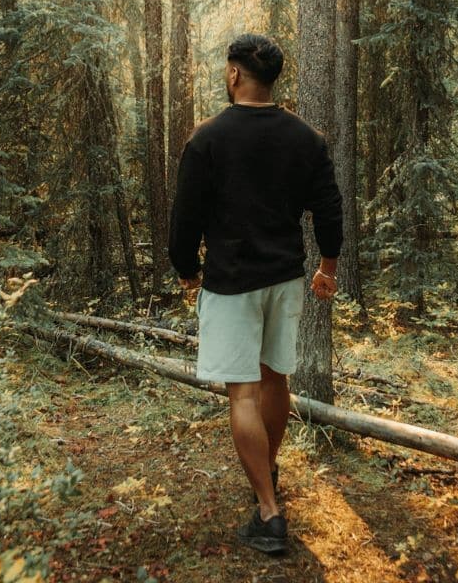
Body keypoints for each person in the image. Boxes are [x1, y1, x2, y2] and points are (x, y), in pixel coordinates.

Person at [168, 33, 343, 555]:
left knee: (243, 392)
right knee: (275, 380)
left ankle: (268, 513)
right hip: (284, 279)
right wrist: (327, 267)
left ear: (235, 74)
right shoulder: (306, 138)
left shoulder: (207, 139)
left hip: (231, 282)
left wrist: (186, 269)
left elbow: (185, 218)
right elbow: (329, 207)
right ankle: (266, 470)